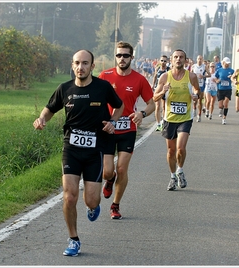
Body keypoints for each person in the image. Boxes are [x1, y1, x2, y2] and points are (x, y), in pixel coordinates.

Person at [33, 49, 124, 256]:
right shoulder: (65, 88)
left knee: (91, 200)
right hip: (71, 149)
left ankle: (93, 206)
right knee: (69, 196)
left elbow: (119, 106)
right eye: (77, 63)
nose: (80, 67)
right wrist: (42, 119)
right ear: (72, 65)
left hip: (95, 151)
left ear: (92, 66)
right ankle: (73, 239)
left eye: (85, 63)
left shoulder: (103, 87)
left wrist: (112, 122)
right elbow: (49, 108)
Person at [99, 41, 155, 220]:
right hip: (107, 129)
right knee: (108, 171)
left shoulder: (139, 79)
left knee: (122, 169)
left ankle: (115, 205)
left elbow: (152, 104)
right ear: (115, 57)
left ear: (132, 57)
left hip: (128, 129)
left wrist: (142, 113)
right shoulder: (105, 75)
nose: (121, 59)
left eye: (125, 55)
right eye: (118, 55)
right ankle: (110, 179)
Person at [153, 49, 200, 191]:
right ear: (171, 60)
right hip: (169, 118)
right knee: (170, 151)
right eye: (176, 57)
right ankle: (173, 176)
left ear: (186, 61)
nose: (178, 59)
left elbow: (198, 90)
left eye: (181, 57)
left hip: (185, 118)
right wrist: (163, 91)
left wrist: (196, 95)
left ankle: (180, 170)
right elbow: (154, 98)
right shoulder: (164, 78)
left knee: (180, 148)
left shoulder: (191, 76)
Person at [152, 55, 170, 131]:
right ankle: (158, 124)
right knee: (157, 106)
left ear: (167, 62)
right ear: (159, 61)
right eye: (162, 60)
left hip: (165, 89)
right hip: (158, 89)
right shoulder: (157, 68)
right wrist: (153, 85)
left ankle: (163, 121)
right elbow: (155, 76)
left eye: (165, 61)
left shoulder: (169, 70)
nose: (163, 62)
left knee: (164, 106)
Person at [215, 57, 234, 125]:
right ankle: (221, 109)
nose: (227, 65)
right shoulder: (219, 70)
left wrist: (232, 77)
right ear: (223, 63)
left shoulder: (231, 70)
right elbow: (215, 78)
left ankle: (224, 118)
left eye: (228, 63)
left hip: (228, 89)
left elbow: (235, 77)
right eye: (226, 63)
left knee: (226, 103)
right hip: (220, 89)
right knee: (220, 105)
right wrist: (217, 81)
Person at [191, 55, 208, 122]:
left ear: (202, 60)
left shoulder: (204, 67)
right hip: (194, 85)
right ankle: (194, 109)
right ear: (197, 59)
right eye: (198, 59)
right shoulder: (193, 66)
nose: (199, 60)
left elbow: (209, 74)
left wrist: (203, 76)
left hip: (201, 85)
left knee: (200, 101)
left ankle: (199, 115)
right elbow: (190, 74)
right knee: (195, 100)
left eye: (201, 59)